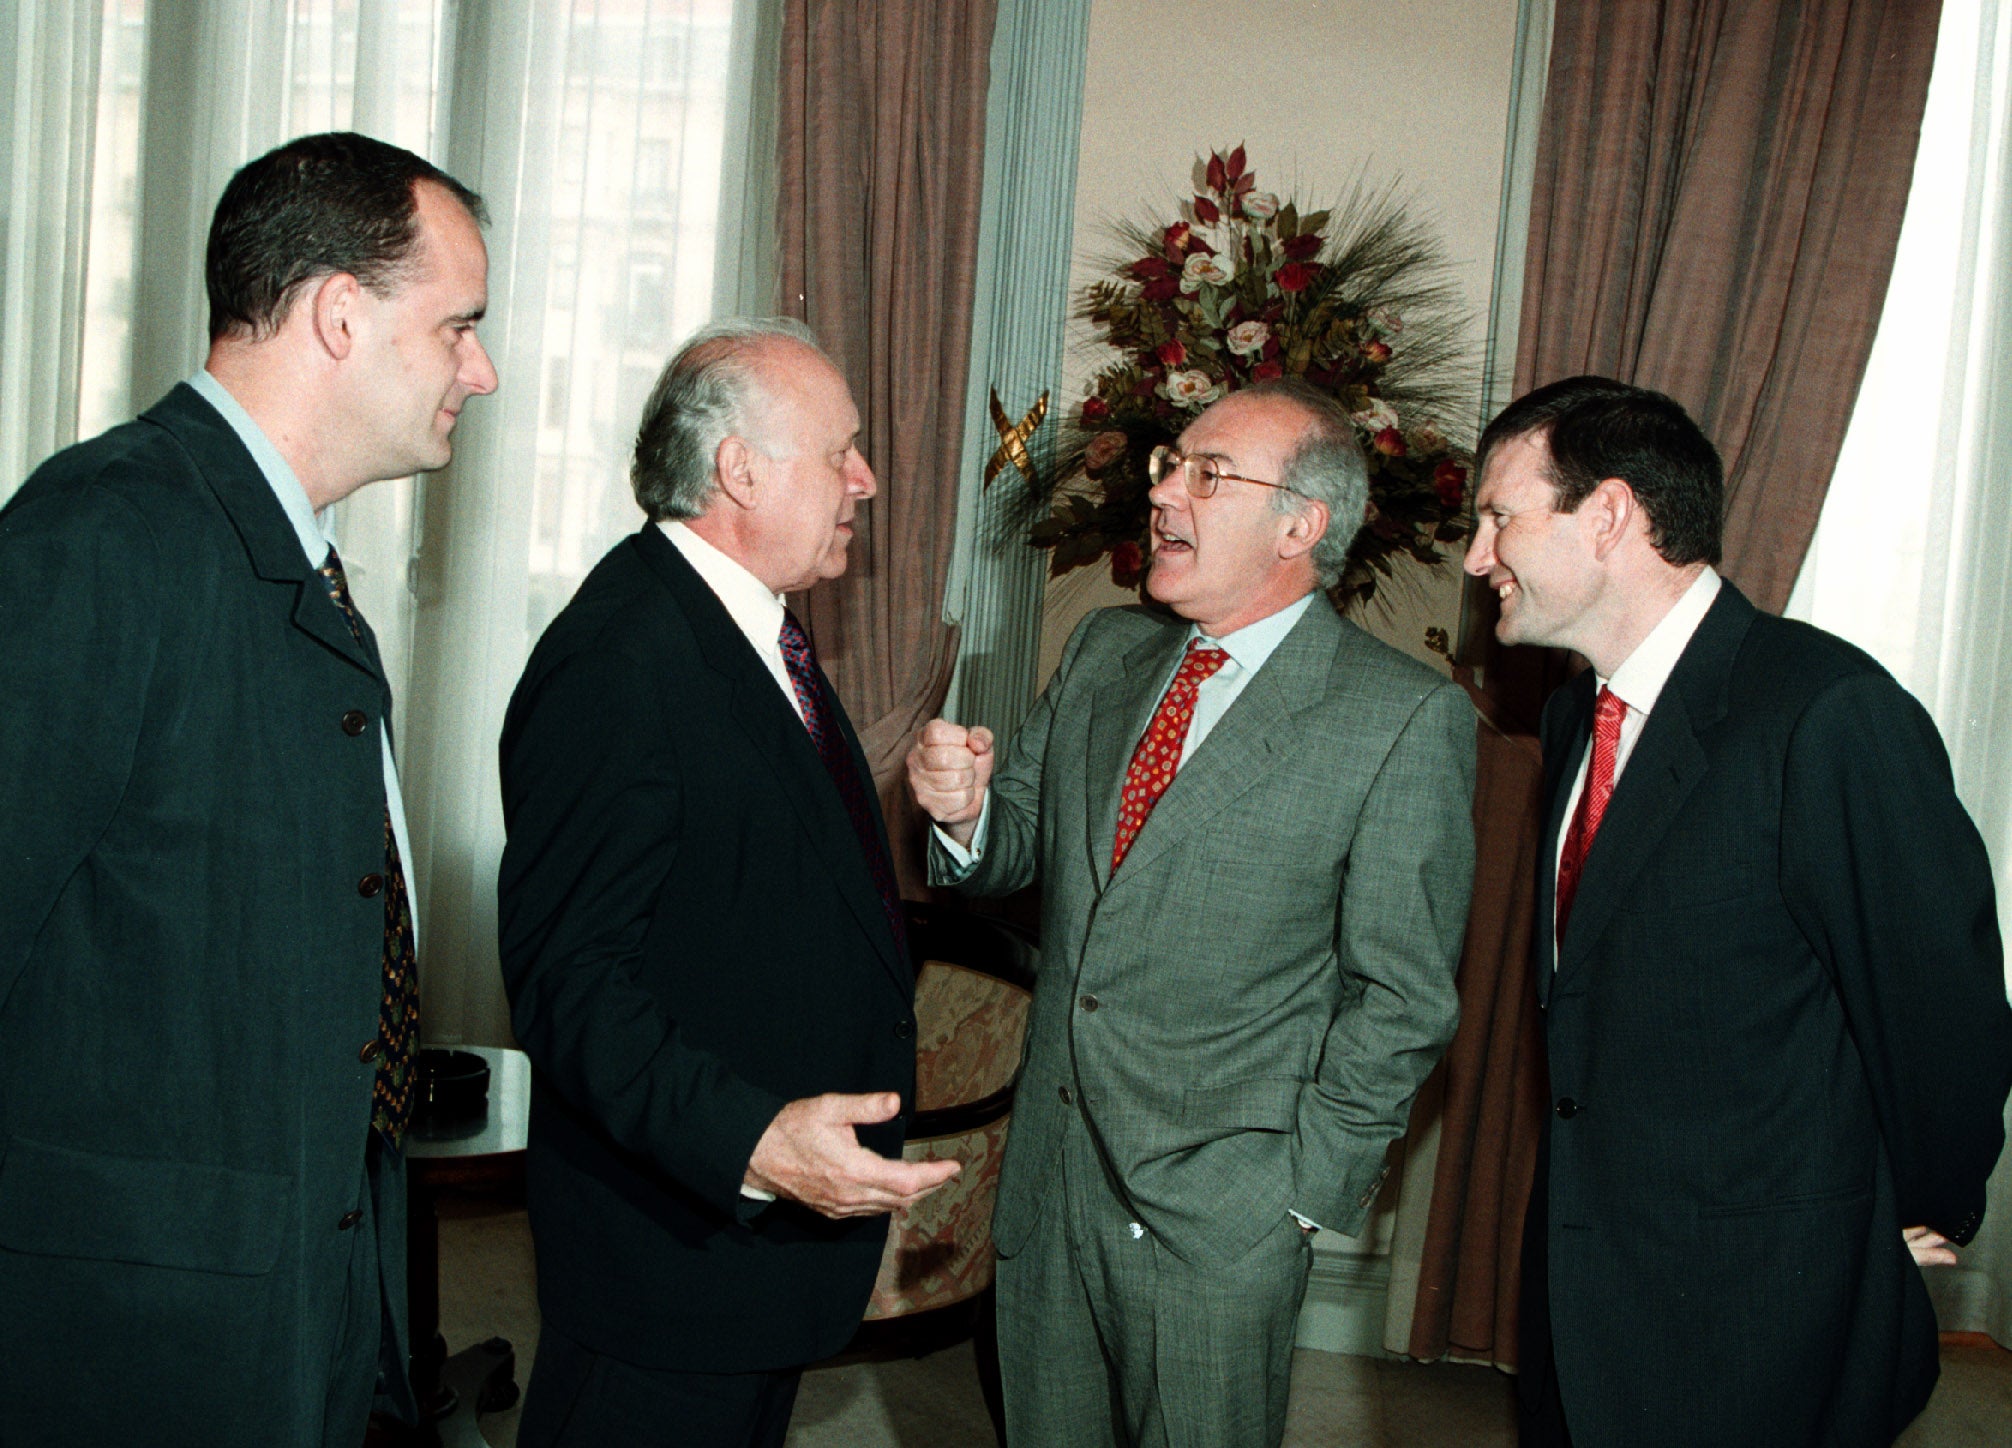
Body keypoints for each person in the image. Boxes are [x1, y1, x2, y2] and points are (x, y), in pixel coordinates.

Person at [0, 132, 497, 1446]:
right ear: (341, 314)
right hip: (137, 1346)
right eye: (459, 328)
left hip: (305, 1304)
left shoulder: (293, 559)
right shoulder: (104, 536)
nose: (482, 371)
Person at [908, 378, 1476, 1447]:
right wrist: (969, 811)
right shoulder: (1102, 651)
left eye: (1205, 474)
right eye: (1169, 462)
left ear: (1298, 526)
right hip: (1050, 1178)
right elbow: (1021, 836)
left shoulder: (1399, 719)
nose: (1162, 492)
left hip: (1224, 1216)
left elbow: (1400, 999)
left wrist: (1296, 1199)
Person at [1462, 375, 2012, 1448]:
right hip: (1589, 1285)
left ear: (1609, 513)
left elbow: (1937, 1010)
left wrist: (1911, 1214)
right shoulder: (1578, 714)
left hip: (1763, 1312)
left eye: (1498, 516)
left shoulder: (1825, 712)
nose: (1478, 556)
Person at [496, 317, 957, 1448]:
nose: (868, 478)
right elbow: (570, 984)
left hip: (741, 1257)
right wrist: (750, 1137)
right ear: (738, 469)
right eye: (839, 450)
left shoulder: (750, 628)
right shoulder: (620, 656)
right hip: (668, 1251)